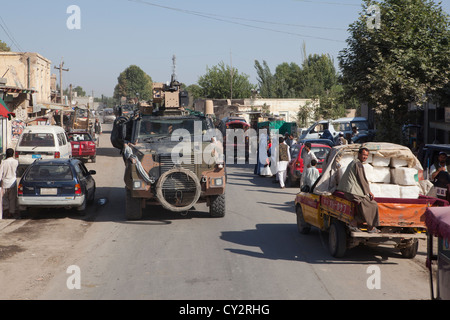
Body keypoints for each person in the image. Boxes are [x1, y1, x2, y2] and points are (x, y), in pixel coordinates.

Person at [337, 147, 380, 233]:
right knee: (373, 204)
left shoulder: (354, 162)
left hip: (350, 191)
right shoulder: (358, 164)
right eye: (363, 155)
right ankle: (371, 227)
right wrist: (368, 192)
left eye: (366, 155)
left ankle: (354, 223)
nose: (365, 157)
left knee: (362, 206)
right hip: (352, 191)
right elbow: (362, 179)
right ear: (359, 154)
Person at [1, 148, 19, 219]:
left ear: (6, 154)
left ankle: (6, 210)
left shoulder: (3, 162)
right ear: (13, 154)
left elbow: (0, 173)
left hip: (5, 182)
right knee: (12, 198)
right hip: (13, 182)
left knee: (4, 198)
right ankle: (11, 212)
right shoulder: (16, 162)